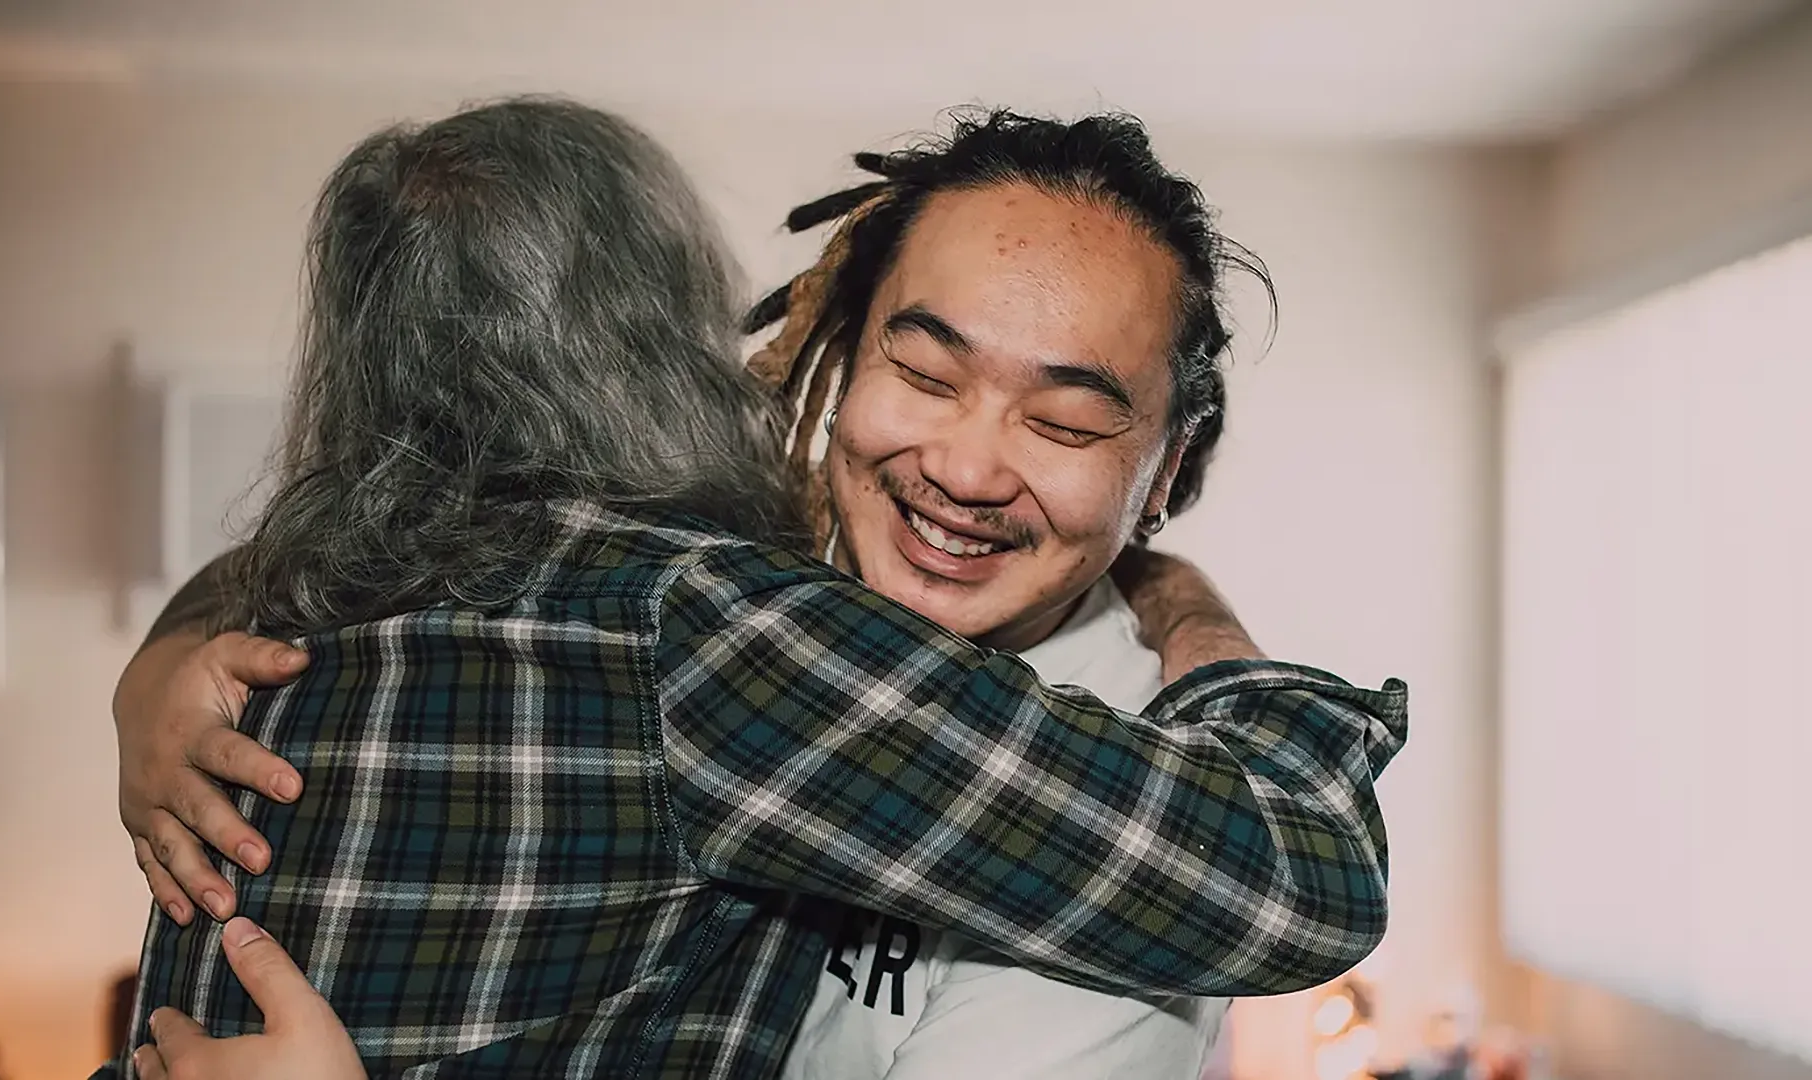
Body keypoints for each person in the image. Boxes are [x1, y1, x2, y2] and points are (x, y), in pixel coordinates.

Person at [109, 100, 1408, 1080]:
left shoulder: (684, 611)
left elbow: (1309, 883)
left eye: (1066, 421)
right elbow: (1321, 871)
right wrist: (162, 666)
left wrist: (1186, 611)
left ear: (1166, 466)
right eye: (926, 371)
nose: (964, 465)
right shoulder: (729, 606)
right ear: (822, 353)